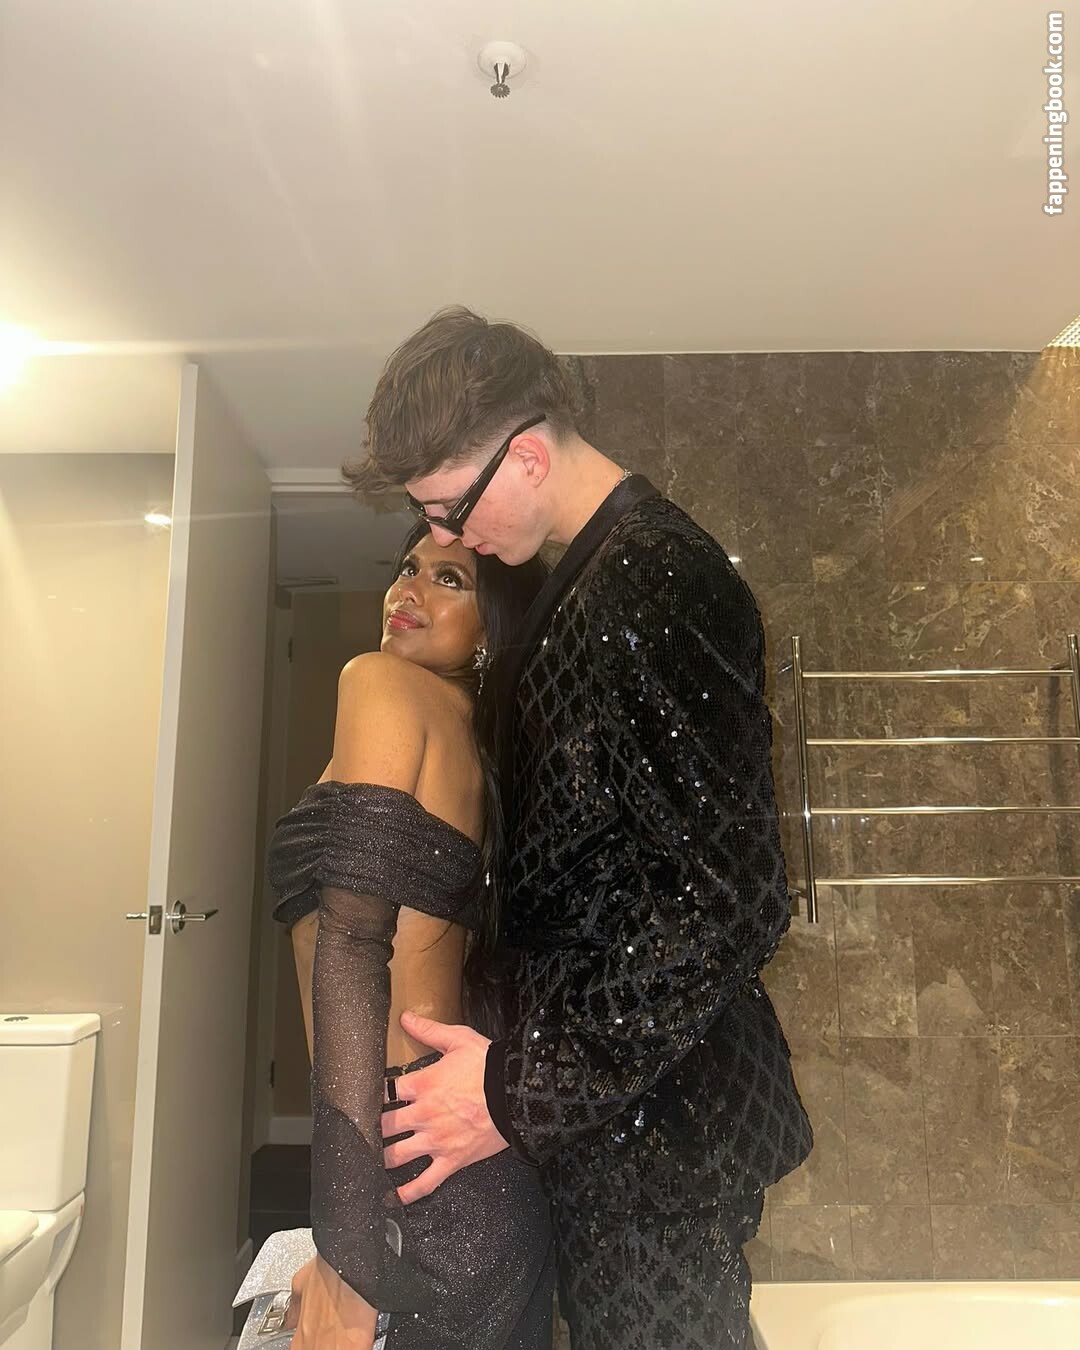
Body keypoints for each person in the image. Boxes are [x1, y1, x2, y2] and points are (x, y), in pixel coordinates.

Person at [348, 306, 815, 1350]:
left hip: (662, 1142)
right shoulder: (585, 584)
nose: (444, 537)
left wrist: (518, 1088)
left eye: (449, 508)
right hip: (615, 1130)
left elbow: (730, 903)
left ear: (525, 456)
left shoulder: (657, 578)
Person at [267, 521, 555, 1348]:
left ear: (492, 632)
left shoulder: (380, 684)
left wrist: (348, 1255)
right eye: (407, 567)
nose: (409, 589)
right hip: (447, 1170)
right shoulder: (467, 739)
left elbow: (353, 945)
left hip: (411, 1182)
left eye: (449, 579)